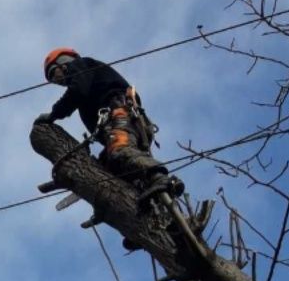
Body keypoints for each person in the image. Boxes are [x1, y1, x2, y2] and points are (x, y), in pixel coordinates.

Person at [35, 48, 183, 199]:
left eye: (53, 72)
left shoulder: (80, 66)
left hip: (121, 116)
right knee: (110, 167)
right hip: (128, 124)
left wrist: (54, 114)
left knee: (119, 151)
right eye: (51, 79)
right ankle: (154, 203)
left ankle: (159, 177)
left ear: (63, 63)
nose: (55, 80)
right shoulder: (88, 86)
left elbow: (77, 91)